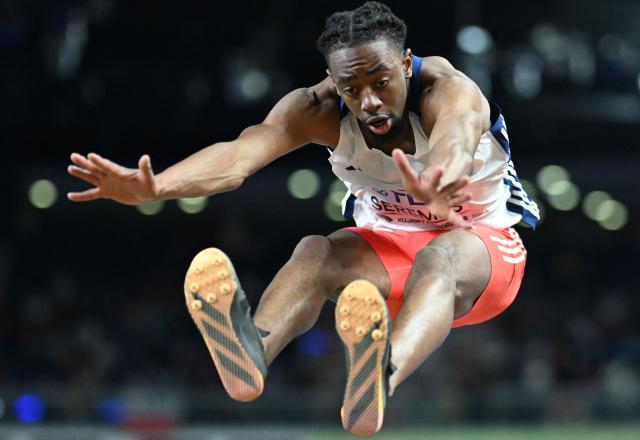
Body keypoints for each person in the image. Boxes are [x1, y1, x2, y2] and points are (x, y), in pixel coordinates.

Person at [67, 2, 540, 436]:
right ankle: (252, 352)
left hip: (482, 250)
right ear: (334, 82)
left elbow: (456, 137)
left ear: (404, 62)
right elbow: (238, 157)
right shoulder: (319, 109)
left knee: (440, 256)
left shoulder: (446, 89)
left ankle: (382, 374)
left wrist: (441, 177)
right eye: (352, 89)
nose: (369, 101)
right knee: (316, 251)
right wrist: (158, 186)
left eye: (380, 81)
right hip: (391, 252)